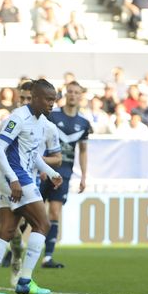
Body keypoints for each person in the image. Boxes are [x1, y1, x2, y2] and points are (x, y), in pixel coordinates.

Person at [0, 79, 63, 294]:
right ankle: (25, 280)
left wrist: (51, 173)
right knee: (43, 224)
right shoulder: (18, 118)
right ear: (36, 98)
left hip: (15, 179)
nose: (52, 104)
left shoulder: (41, 123)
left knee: (5, 231)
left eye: (53, 100)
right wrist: (13, 179)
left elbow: (33, 156)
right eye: (48, 100)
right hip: (16, 179)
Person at [41, 81, 91, 268]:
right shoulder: (52, 115)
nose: (73, 95)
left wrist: (83, 176)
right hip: (44, 170)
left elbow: (83, 151)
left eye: (76, 92)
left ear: (80, 96)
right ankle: (15, 249)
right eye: (70, 91)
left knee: (54, 212)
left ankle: (48, 257)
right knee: (29, 212)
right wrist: (40, 166)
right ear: (65, 94)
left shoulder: (84, 123)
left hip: (64, 173)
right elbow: (40, 140)